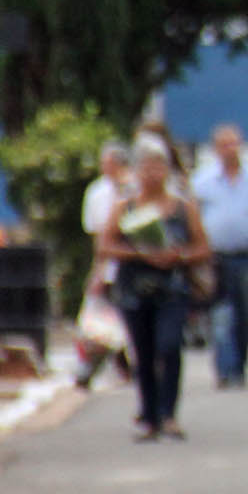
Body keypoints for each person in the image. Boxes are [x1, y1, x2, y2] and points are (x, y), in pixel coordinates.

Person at [98, 136, 211, 443]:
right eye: (145, 167)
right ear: (136, 171)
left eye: (158, 167)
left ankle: (169, 413)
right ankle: (149, 415)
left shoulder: (182, 209)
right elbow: (105, 245)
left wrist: (180, 256)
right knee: (143, 352)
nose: (151, 174)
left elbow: (203, 247)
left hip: (172, 288)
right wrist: (139, 253)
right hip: (135, 289)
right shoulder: (125, 207)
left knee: (169, 345)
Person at [191, 123, 248, 389]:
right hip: (214, 256)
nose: (229, 149)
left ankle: (239, 365)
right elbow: (193, 220)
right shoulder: (203, 181)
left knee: (242, 311)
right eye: (223, 145)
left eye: (234, 143)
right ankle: (224, 368)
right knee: (221, 313)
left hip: (246, 255)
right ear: (215, 149)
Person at [77, 142, 135, 387]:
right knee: (100, 323)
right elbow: (96, 237)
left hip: (132, 264)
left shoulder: (135, 190)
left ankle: (129, 366)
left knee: (126, 320)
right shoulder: (96, 193)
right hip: (107, 265)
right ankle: (89, 369)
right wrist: (97, 270)